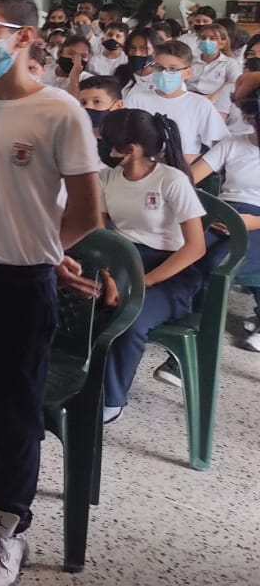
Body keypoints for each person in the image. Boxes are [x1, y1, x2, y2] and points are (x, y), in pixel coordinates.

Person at [0, 0, 103, 586]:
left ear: (25, 35)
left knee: (14, 412)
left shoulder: (59, 110)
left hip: (24, 282)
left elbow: (87, 211)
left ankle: (7, 532)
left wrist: (46, 253)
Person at [96, 110, 205, 423]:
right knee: (77, 300)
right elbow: (103, 234)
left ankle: (112, 399)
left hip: (170, 270)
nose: (102, 147)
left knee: (130, 317)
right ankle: (77, 379)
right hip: (122, 260)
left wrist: (142, 282)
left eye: (107, 142)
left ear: (130, 149)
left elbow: (195, 247)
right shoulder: (108, 177)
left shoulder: (171, 180)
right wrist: (110, 277)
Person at [189, 87, 260, 350]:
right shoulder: (232, 144)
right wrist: (210, 212)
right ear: (250, 119)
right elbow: (189, 181)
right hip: (224, 214)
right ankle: (183, 319)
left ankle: (197, 341)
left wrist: (250, 222)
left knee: (217, 263)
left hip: (256, 222)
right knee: (188, 253)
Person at [122, 41, 228, 165]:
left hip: (183, 169)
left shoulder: (199, 104)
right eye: (159, 68)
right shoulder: (136, 99)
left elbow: (221, 145)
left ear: (187, 73)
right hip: (141, 169)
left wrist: (195, 162)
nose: (164, 73)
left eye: (172, 69)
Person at [188, 22, 241, 118]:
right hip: (190, 97)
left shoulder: (229, 63)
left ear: (222, 43)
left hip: (215, 100)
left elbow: (235, 82)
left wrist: (214, 96)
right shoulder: (190, 61)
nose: (206, 41)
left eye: (212, 39)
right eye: (203, 38)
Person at [116, 27, 157, 94]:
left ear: (155, 51)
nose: (136, 53)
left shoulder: (160, 79)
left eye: (143, 48)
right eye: (132, 48)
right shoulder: (121, 72)